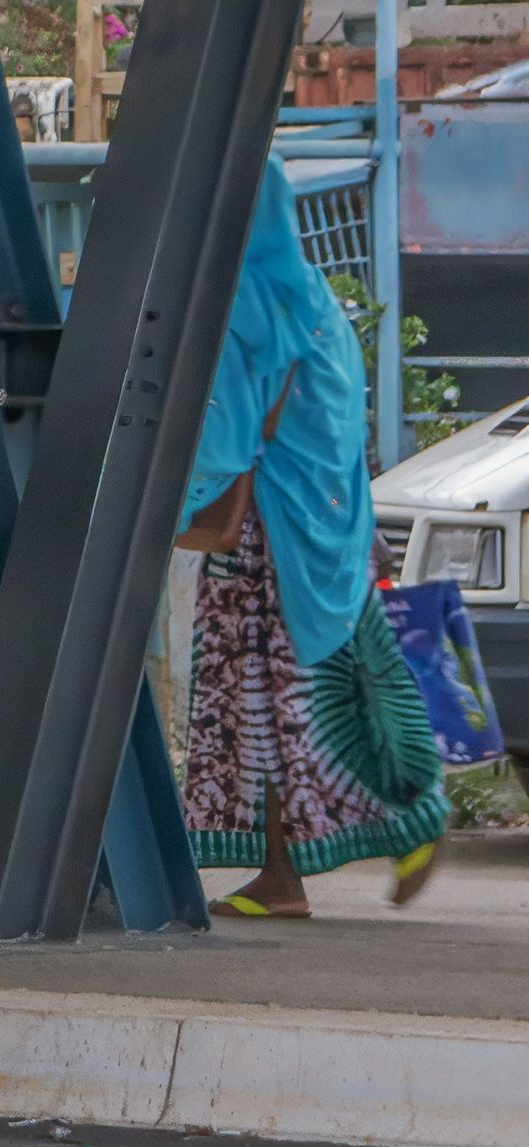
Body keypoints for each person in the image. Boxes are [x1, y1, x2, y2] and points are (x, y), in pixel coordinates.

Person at [178, 154, 449, 916]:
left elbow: (227, 443)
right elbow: (339, 418)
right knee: (304, 705)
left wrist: (164, 512)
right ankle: (301, 868)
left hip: (266, 545)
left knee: (261, 709)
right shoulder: (313, 296)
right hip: (330, 526)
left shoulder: (244, 305)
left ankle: (366, 839)